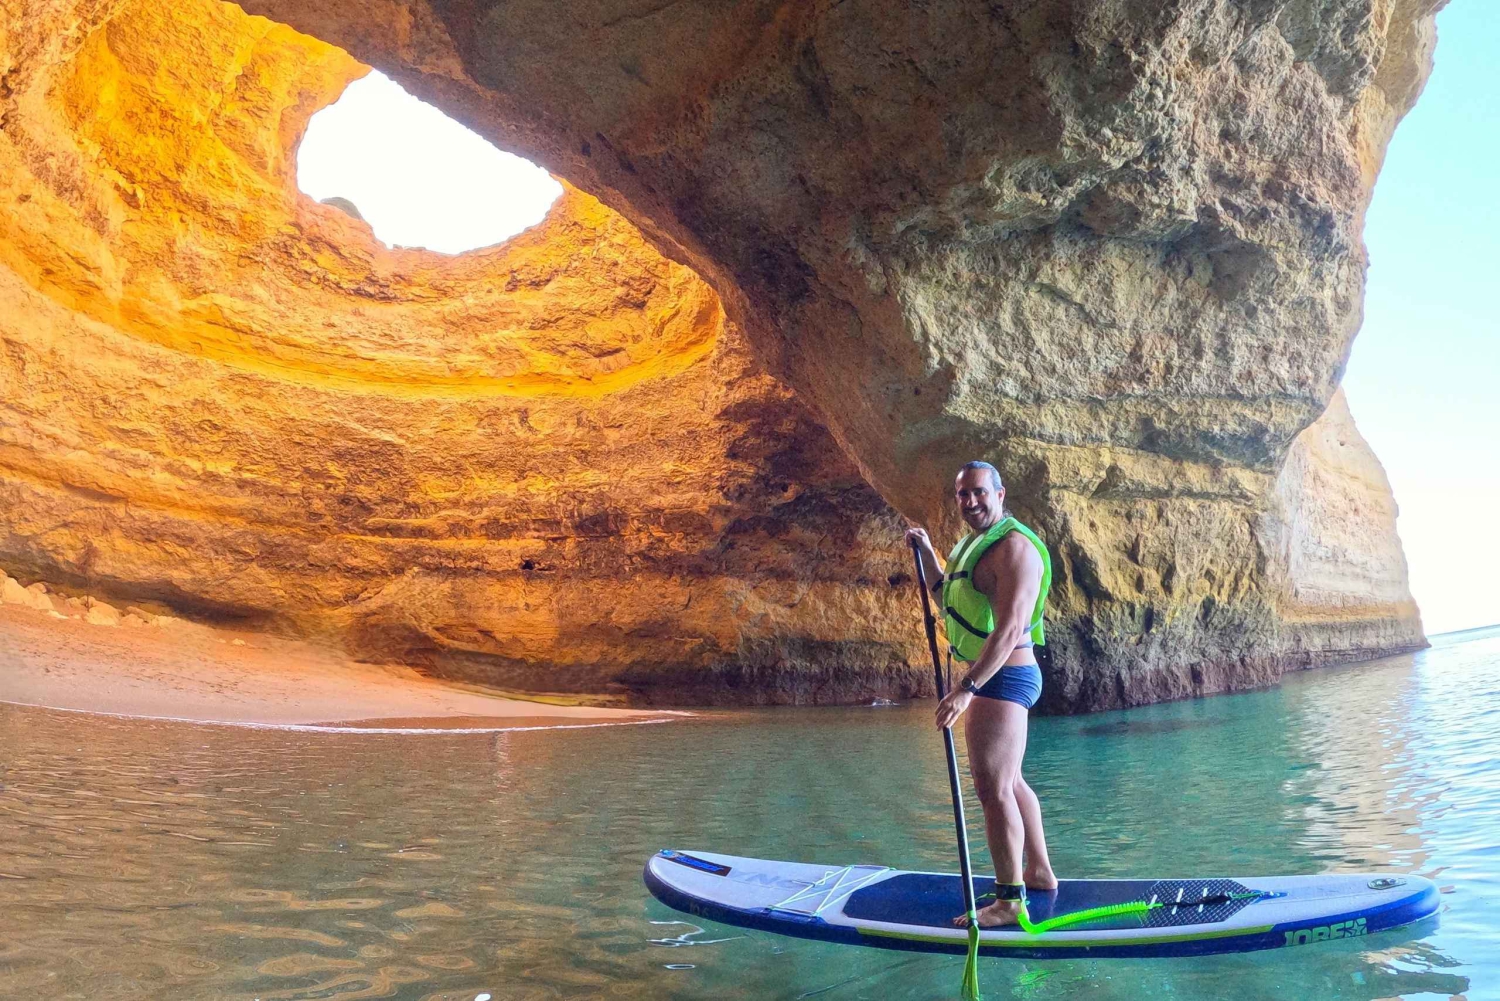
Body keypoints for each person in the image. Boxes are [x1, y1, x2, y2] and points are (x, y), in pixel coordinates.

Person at [906, 460, 1057, 927]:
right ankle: (1040, 873)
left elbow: (1011, 628)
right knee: (1009, 782)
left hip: (1003, 677)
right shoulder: (972, 546)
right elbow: (946, 597)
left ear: (1000, 493)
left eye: (978, 492)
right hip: (995, 678)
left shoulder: (1014, 549)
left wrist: (966, 689)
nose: (970, 502)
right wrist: (929, 554)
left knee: (992, 789)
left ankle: (1010, 901)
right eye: (962, 494)